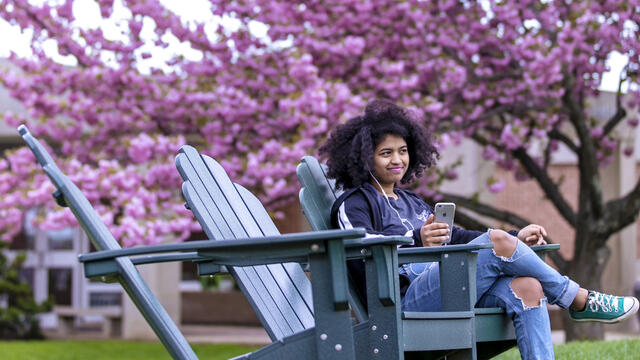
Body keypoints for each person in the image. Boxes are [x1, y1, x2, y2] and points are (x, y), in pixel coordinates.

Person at [319, 99, 639, 360]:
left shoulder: (412, 201)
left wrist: (516, 239)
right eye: (385, 153)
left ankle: (568, 304)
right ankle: (578, 299)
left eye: (402, 151)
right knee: (498, 243)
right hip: (400, 301)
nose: (396, 160)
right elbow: (360, 244)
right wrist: (417, 238)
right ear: (363, 159)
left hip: (449, 285)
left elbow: (456, 237)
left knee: (528, 287)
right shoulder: (354, 203)